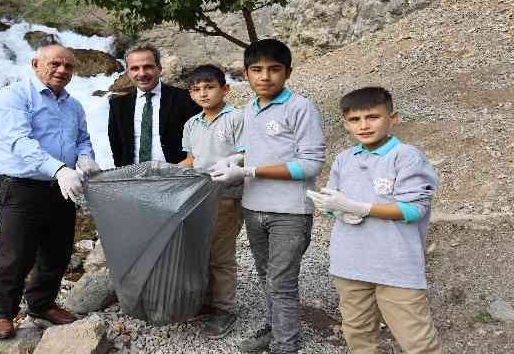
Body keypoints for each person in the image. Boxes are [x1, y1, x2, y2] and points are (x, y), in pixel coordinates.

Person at [211, 39, 326, 353]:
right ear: (246, 74)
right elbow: (252, 150)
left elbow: (310, 164)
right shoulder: (250, 108)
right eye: (257, 70)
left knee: (282, 281)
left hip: (289, 211)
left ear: (287, 72)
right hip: (253, 206)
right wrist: (235, 161)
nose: (265, 77)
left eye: (274, 69)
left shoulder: (301, 107)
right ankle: (274, 328)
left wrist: (249, 172)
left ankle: (285, 345)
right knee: (266, 275)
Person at [307, 87, 441, 354]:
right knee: (358, 334)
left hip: (396, 264)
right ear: (345, 124)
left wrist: (359, 207)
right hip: (350, 263)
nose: (364, 125)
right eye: (355, 120)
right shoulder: (344, 159)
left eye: (373, 117)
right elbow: (335, 202)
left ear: (393, 118)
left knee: (417, 339)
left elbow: (414, 209)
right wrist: (333, 207)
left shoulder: (406, 156)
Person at [0, 42, 101, 339]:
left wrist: (85, 157)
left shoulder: (73, 105)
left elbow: (83, 138)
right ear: (36, 64)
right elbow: (18, 142)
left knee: (58, 249)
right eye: (55, 64)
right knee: (15, 254)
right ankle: (2, 313)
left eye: (69, 66)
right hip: (21, 186)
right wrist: (59, 169)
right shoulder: (13, 96)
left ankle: (41, 303)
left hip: (61, 186)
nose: (62, 70)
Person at [178, 64, 245, 339]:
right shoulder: (192, 124)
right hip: (197, 197)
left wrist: (234, 162)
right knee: (200, 252)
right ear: (191, 94)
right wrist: (165, 169)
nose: (203, 93)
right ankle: (206, 301)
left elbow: (246, 153)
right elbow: (191, 161)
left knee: (220, 255)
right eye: (196, 89)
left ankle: (225, 309)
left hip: (226, 197)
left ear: (225, 89)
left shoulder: (236, 118)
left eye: (210, 87)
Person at [108, 44, 201, 167]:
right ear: (128, 72)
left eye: (148, 67)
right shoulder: (118, 104)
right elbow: (116, 144)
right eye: (135, 68)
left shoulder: (185, 99)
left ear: (159, 68)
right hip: (133, 177)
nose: (142, 73)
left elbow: (200, 140)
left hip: (177, 175)